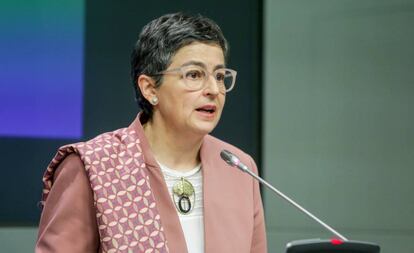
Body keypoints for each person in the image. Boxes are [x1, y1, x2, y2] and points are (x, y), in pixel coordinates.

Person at [36, 12, 267, 253]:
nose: (213, 90)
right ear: (149, 88)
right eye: (194, 75)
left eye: (219, 76)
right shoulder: (92, 167)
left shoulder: (238, 168)